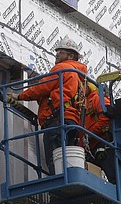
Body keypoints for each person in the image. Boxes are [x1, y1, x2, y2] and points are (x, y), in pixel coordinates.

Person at [10, 37, 87, 174]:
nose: (56, 55)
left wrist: (20, 96)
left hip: (56, 120)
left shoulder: (62, 68)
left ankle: (58, 191)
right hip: (72, 121)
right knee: (67, 158)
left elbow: (42, 88)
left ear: (70, 55)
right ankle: (68, 183)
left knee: (54, 159)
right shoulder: (80, 77)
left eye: (60, 52)